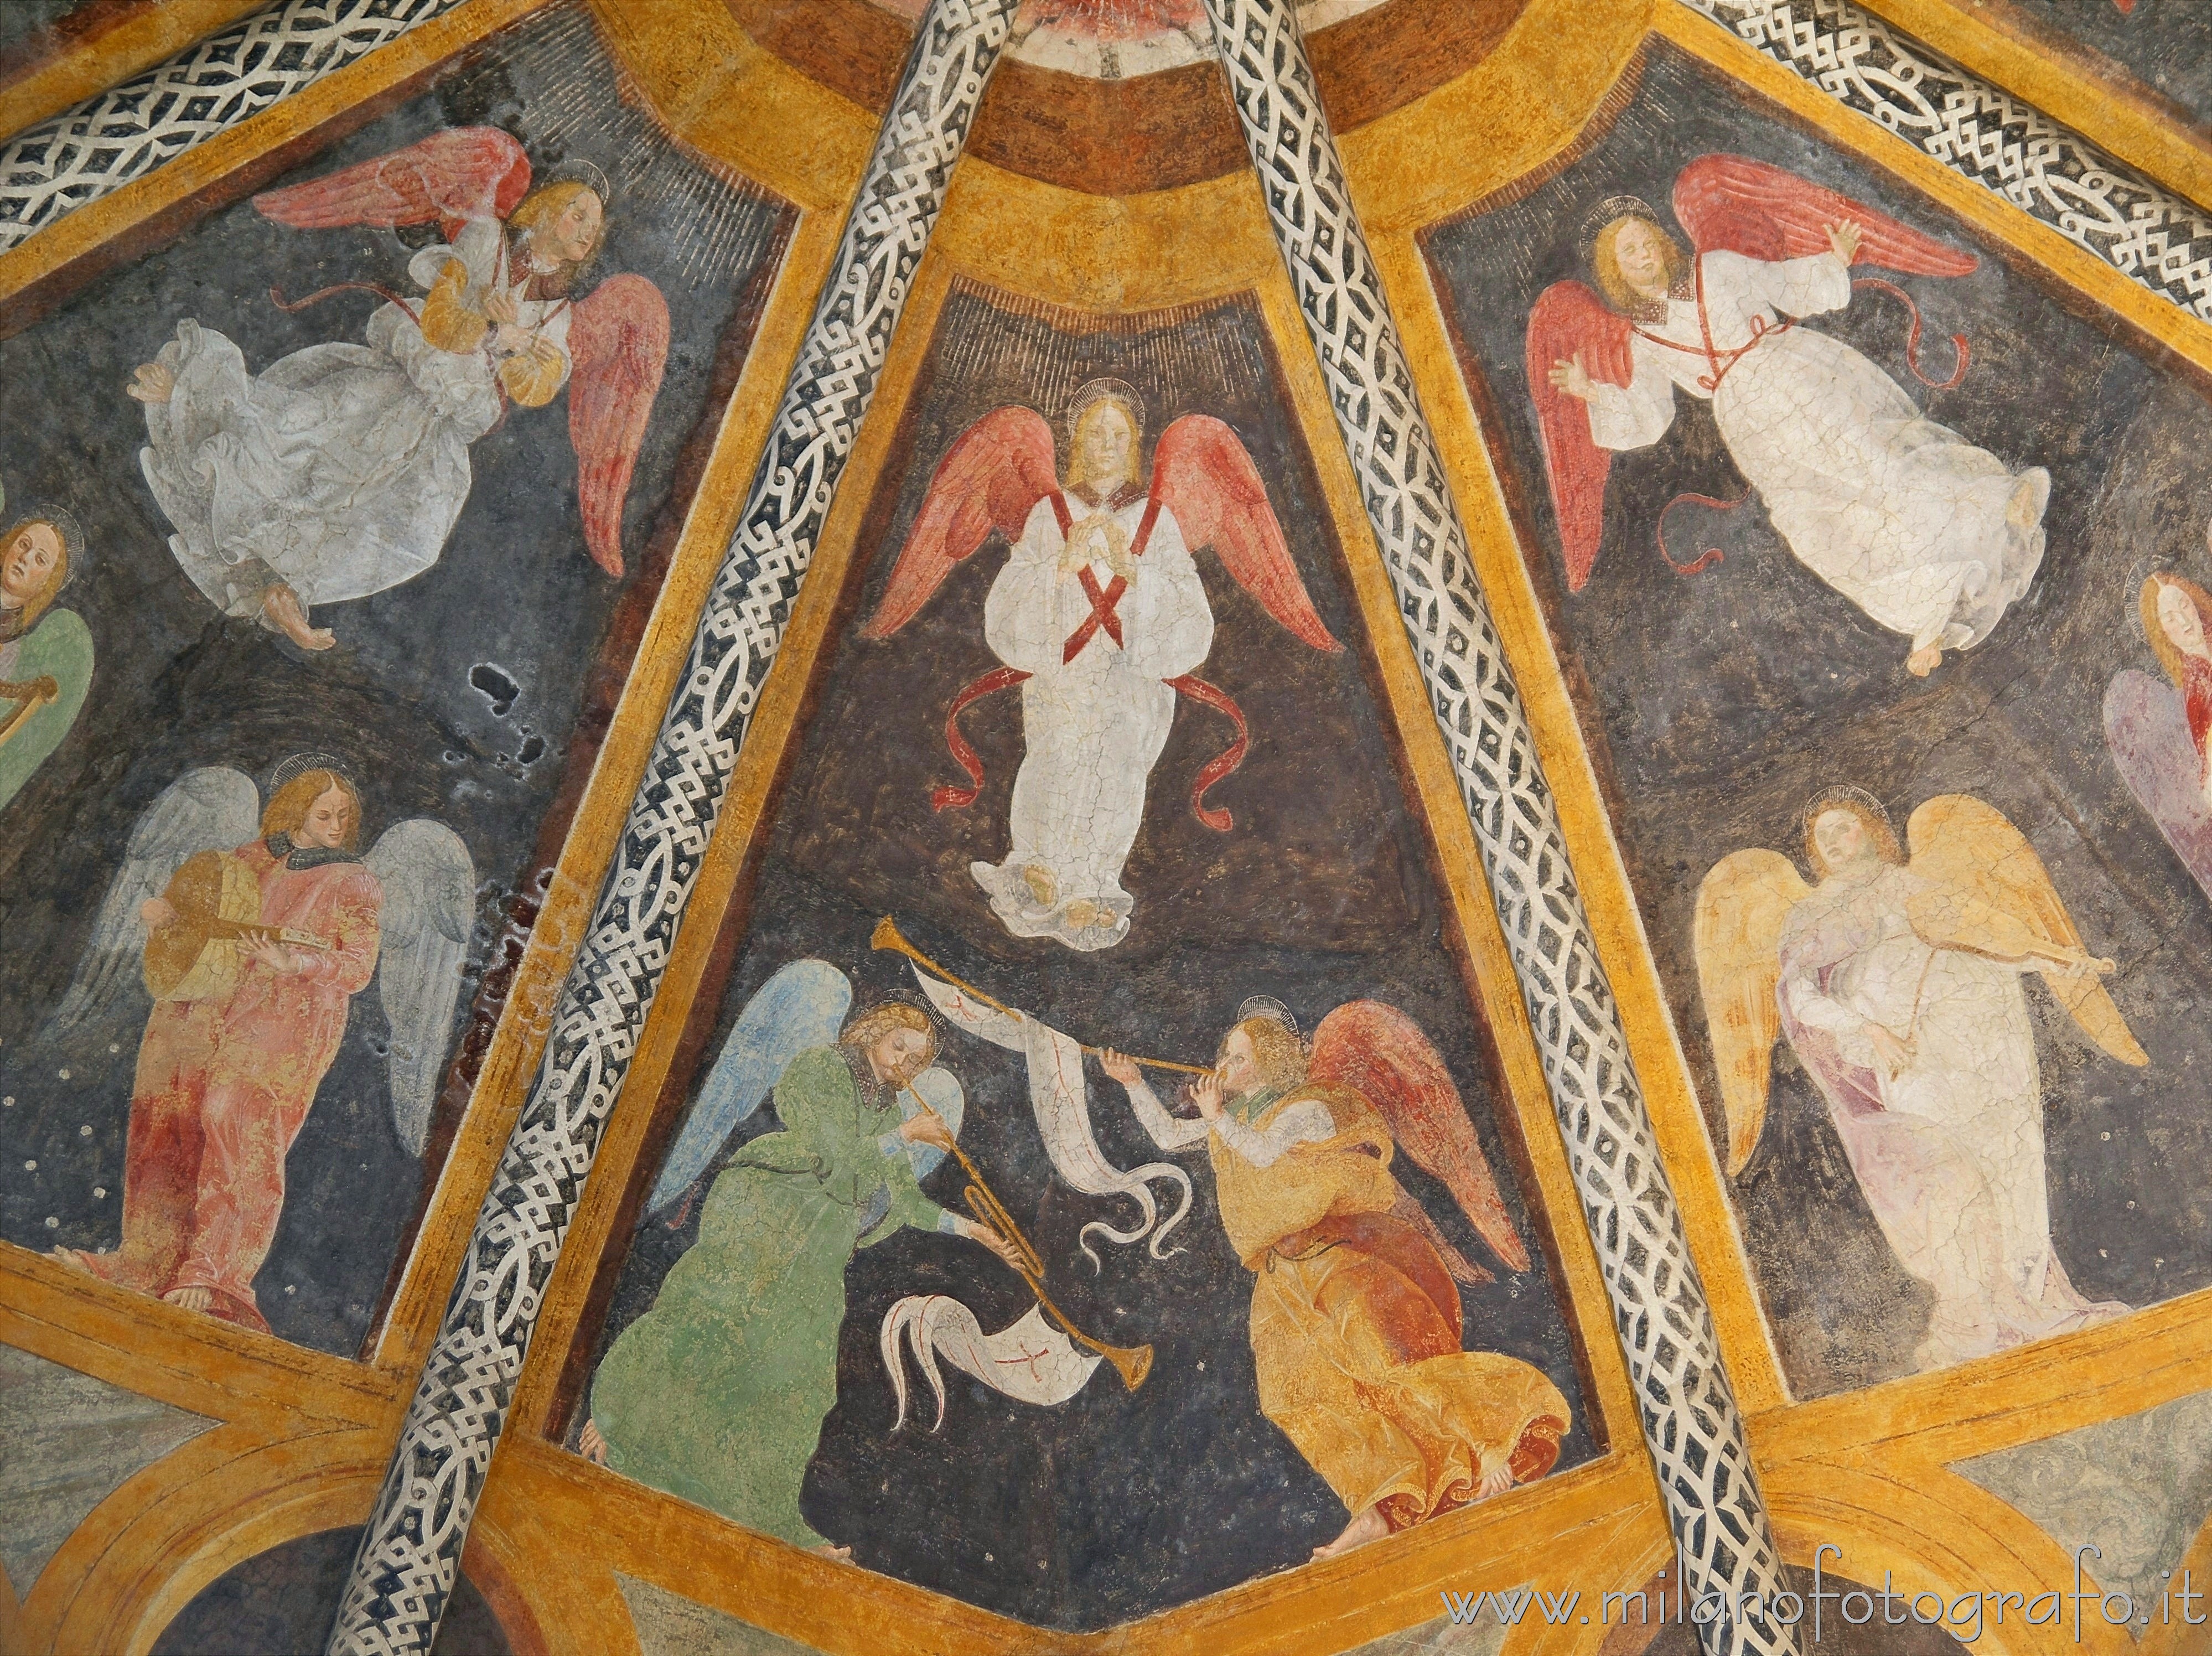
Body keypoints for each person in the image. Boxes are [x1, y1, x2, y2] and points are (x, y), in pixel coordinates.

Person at [1101, 1013, 1569, 1559]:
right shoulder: (1228, 1118)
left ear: (1270, 1062)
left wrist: (1215, 1115)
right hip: (1277, 1278)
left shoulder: (1307, 1108)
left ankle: (1489, 1444)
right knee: (1294, 1395)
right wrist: (1133, 1084)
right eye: (1223, 1054)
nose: (1223, 1065)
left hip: (1332, 1257)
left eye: (1237, 1055)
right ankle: (1376, 1505)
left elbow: (1262, 1151)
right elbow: (1166, 1134)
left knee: (1388, 1363)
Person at [582, 1002, 1022, 1557]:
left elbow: (901, 1197)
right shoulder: (821, 1068)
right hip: (768, 1216)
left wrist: (974, 1231)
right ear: (873, 1034)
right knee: (708, 1323)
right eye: (898, 1048)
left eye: (915, 1060)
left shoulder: (887, 1109)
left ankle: (763, 1514)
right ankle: (618, 1424)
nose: (903, 1064)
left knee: (800, 1378)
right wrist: (906, 1133)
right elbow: (829, 1149)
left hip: (819, 1249)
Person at [1547, 208, 2049, 677]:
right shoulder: (1642, 340)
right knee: (1816, 525)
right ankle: (1927, 616)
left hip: (1797, 375)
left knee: (1881, 466)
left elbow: (1782, 284)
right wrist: (1591, 391)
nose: (1641, 257)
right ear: (1617, 274)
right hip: (1748, 422)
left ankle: (1998, 503)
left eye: (1643, 243)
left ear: (1660, 242)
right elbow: (1650, 415)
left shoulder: (1717, 269)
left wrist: (1833, 260)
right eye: (1627, 255)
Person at [128, 180, 606, 650]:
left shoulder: (559, 310)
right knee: (299, 431)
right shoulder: (487, 241)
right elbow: (439, 319)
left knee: (407, 527)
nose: (586, 230)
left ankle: (286, 589)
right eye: (577, 212)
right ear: (545, 210)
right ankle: (188, 394)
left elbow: (535, 388)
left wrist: (525, 356)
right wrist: (496, 331)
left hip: (439, 419)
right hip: (402, 377)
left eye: (594, 225)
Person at [1775, 792, 2130, 1369]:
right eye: (1824, 837)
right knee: (1945, 1174)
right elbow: (1800, 996)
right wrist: (1868, 1029)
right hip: (1902, 1055)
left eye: (1844, 829)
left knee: (1998, 1162)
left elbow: (1981, 938)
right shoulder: (1808, 916)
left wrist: (2053, 959)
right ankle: (1972, 1312)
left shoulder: (1907, 885)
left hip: (1964, 1038)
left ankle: (2030, 1299)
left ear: (1869, 829)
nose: (1836, 843)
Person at [53, 769, 381, 1332]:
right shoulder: (246, 858)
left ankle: (215, 1275)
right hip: (205, 1005)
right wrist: (166, 916)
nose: (336, 825)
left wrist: (295, 963)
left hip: (283, 1020)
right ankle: (146, 1262)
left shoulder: (353, 880)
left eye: (343, 816)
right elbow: (199, 918)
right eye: (324, 813)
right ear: (295, 810)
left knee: (236, 1118)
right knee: (170, 1118)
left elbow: (357, 967)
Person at [969, 381, 1215, 949]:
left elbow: (1190, 613)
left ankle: (1094, 885)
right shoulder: (1048, 514)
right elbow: (1008, 605)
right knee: (1056, 755)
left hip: (1130, 679)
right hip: (1067, 672)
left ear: (1133, 445)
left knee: (1119, 771)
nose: (1106, 443)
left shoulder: (1157, 520)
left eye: (1118, 434)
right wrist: (1062, 564)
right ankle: (1038, 866)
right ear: (1076, 442)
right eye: (1095, 433)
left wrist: (1134, 572)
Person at [0, 506, 93, 814]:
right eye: (24, 545)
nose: (25, 558)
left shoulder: (16, 651)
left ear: (47, 582)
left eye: (40, 559)